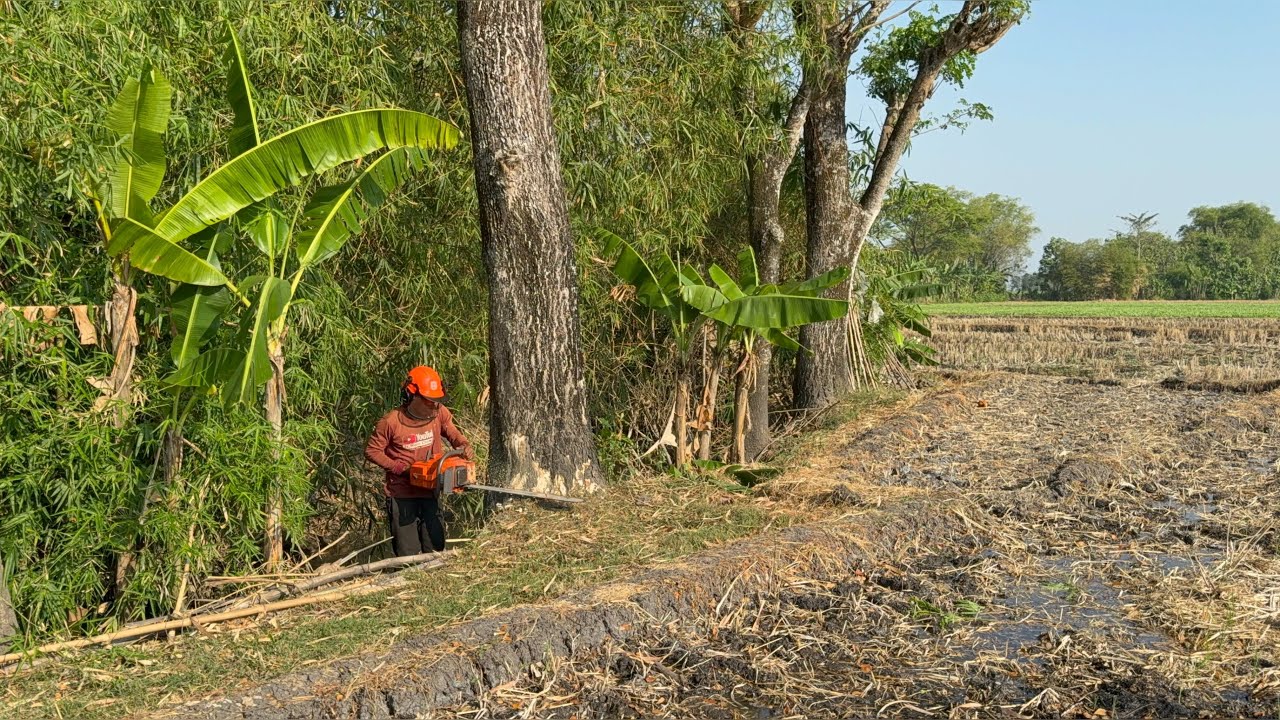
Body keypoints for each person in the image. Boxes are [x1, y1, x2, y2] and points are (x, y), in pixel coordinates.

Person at [365, 366, 475, 556]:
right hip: (402, 495)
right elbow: (372, 451)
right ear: (410, 396)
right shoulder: (391, 422)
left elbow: (451, 430)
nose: (434, 406)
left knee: (436, 547)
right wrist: (400, 468)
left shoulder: (439, 413)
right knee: (408, 554)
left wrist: (462, 444)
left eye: (436, 401)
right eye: (429, 401)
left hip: (431, 491)